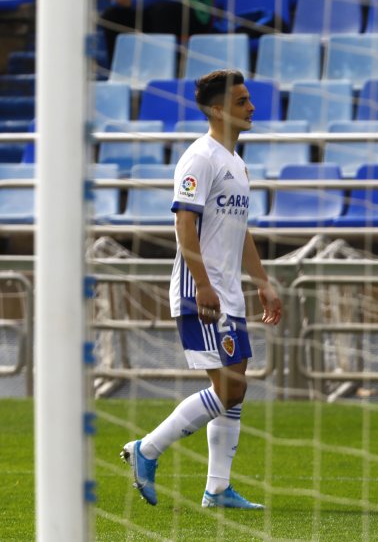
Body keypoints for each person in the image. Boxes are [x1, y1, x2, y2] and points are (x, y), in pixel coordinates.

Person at [122, 69, 282, 510]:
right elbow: (184, 225)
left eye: (249, 99)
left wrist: (262, 283)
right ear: (217, 109)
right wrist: (204, 285)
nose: (251, 108)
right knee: (230, 388)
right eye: (241, 101)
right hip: (201, 291)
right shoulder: (199, 159)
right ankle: (147, 450)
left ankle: (217, 489)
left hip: (227, 291)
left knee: (237, 385)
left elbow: (240, 230)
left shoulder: (237, 162)